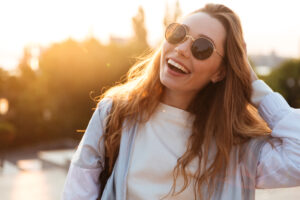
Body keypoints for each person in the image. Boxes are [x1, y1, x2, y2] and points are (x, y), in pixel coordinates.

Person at [62, 3, 300, 200]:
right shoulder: (115, 113)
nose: (182, 49)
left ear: (220, 72)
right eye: (178, 34)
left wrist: (253, 85)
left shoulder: (235, 147)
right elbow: (77, 193)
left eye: (202, 47)